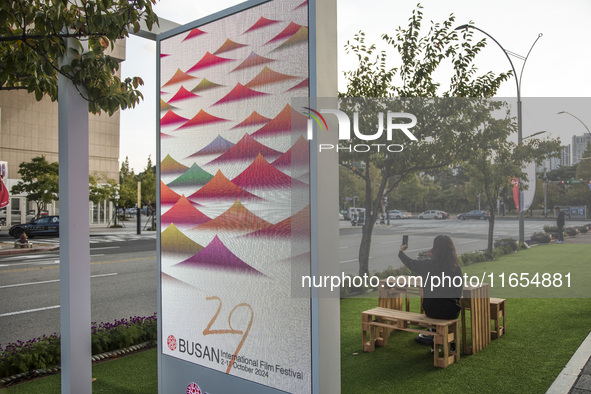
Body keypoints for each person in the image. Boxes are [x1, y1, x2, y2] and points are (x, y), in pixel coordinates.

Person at [398, 235, 463, 348]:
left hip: (431, 311)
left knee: (434, 305)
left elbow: (410, 263)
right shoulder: (455, 268)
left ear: (435, 249)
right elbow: (458, 292)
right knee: (448, 307)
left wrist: (401, 251)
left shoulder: (427, 265)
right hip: (451, 312)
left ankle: (435, 342)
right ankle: (451, 344)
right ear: (451, 250)